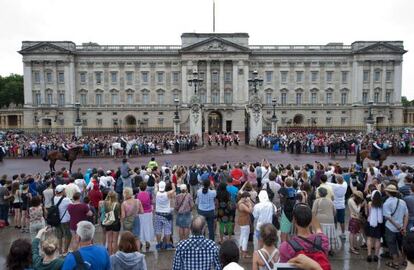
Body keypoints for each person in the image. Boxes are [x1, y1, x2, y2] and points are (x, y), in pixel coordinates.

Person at [383, 184, 409, 269]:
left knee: (392, 246)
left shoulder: (387, 203)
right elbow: (406, 215)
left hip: (391, 228)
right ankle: (403, 261)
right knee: (403, 245)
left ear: (388, 192)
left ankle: (396, 263)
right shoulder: (402, 202)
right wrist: (404, 227)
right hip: (402, 227)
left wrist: (397, 226)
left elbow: (388, 217)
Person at [312, 187, 338, 256]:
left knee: (320, 236)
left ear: (319, 193)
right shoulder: (330, 201)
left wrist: (312, 220)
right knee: (329, 235)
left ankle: (320, 248)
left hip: (320, 220)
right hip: (330, 220)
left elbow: (313, 211)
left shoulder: (317, 201)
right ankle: (330, 249)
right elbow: (335, 211)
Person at [155, 181, 175, 250]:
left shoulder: (156, 193)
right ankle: (168, 244)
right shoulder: (167, 194)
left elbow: (157, 188)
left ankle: (158, 244)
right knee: (167, 230)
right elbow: (174, 190)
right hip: (166, 213)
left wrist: (157, 185)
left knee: (158, 230)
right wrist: (173, 184)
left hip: (158, 213)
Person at [365, 190, 383, 262]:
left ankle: (369, 255)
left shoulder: (370, 203)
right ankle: (376, 256)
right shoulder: (381, 204)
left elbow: (367, 213)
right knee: (378, 239)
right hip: (379, 222)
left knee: (369, 238)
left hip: (370, 222)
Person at [327, 174, 348, 238]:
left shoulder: (334, 185)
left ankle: (334, 233)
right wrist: (338, 176)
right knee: (342, 221)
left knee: (334, 221)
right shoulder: (345, 185)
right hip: (342, 206)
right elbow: (343, 180)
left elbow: (325, 181)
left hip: (334, 206)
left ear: (336, 180)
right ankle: (343, 233)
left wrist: (331, 174)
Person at [53, 185, 72, 255]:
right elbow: (72, 205)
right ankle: (65, 250)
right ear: (62, 191)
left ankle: (60, 250)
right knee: (68, 235)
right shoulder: (66, 199)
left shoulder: (55, 198)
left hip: (57, 220)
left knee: (59, 236)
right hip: (65, 220)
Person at [136, 181, 154, 250]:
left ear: (140, 188)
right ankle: (147, 242)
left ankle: (140, 242)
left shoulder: (137, 195)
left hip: (140, 213)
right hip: (148, 212)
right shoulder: (149, 194)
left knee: (141, 227)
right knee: (148, 227)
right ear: (146, 187)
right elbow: (151, 202)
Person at [102, 191, 121, 255]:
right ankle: (114, 254)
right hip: (116, 223)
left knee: (109, 240)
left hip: (108, 222)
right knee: (115, 240)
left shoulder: (105, 203)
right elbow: (119, 215)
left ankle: (110, 254)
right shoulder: (117, 204)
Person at [348, 190, 364, 255]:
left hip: (354, 218)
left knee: (354, 233)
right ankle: (352, 248)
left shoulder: (351, 200)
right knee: (352, 233)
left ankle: (353, 246)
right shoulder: (351, 201)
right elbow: (357, 210)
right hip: (354, 218)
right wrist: (360, 205)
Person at [238, 191, 253, 258]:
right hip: (245, 221)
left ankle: (240, 249)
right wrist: (249, 204)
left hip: (242, 220)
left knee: (242, 235)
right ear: (245, 197)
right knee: (245, 237)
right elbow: (250, 211)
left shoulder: (240, 202)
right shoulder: (242, 204)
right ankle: (244, 252)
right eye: (248, 198)